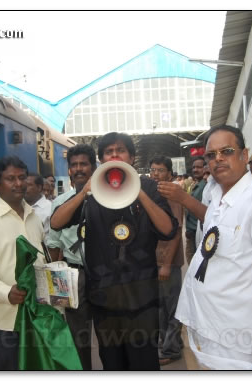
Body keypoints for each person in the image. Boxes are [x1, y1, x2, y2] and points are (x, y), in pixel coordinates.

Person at [50, 132, 178, 370]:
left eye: (120, 150)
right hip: (104, 299)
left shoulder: (150, 187)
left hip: (142, 299)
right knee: (113, 363)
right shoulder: (92, 192)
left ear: (131, 157)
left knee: (144, 364)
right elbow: (56, 222)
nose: (114, 155)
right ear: (101, 159)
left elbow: (168, 229)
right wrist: (84, 193)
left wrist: (137, 190)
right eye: (108, 152)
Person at [175, 125, 252, 370]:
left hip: (238, 346)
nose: (218, 159)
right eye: (211, 155)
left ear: (244, 155)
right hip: (203, 333)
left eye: (227, 151)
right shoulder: (217, 197)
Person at [0, 156, 45, 370]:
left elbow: (41, 260)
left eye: (22, 177)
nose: (19, 183)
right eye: (10, 178)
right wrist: (6, 292)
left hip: (39, 318)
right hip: (5, 321)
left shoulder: (34, 218)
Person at [46, 144, 97, 370]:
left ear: (93, 167)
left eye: (83, 164)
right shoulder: (60, 203)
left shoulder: (110, 198)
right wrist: (56, 292)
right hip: (74, 274)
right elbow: (54, 249)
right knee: (78, 337)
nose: (78, 169)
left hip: (104, 274)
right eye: (73, 165)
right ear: (68, 170)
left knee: (110, 333)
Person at [148, 156, 185, 366]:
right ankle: (166, 344)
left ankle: (172, 349)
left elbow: (176, 232)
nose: (155, 174)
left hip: (167, 264)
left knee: (172, 307)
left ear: (169, 173)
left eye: (160, 170)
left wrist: (167, 264)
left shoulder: (172, 195)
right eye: (153, 170)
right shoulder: (153, 193)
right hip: (154, 261)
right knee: (160, 307)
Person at [184, 156, 206, 265]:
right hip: (193, 233)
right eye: (193, 167)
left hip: (198, 233)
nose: (195, 170)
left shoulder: (206, 186)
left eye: (199, 167)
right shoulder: (197, 184)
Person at [24, 173, 52, 239]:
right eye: (24, 185)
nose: (24, 188)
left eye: (29, 185)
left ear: (39, 188)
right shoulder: (18, 206)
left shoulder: (50, 208)